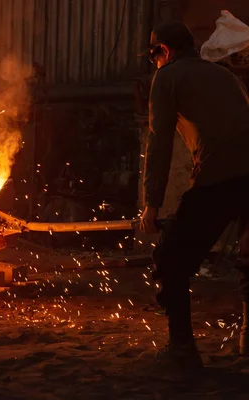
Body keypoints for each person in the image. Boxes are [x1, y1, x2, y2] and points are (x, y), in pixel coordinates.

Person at [139, 20, 249, 369]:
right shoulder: (226, 76)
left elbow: (158, 145)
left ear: (164, 52)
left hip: (220, 177)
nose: (153, 62)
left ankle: (182, 351)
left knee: (170, 261)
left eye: (153, 56)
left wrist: (151, 205)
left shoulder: (167, 77)